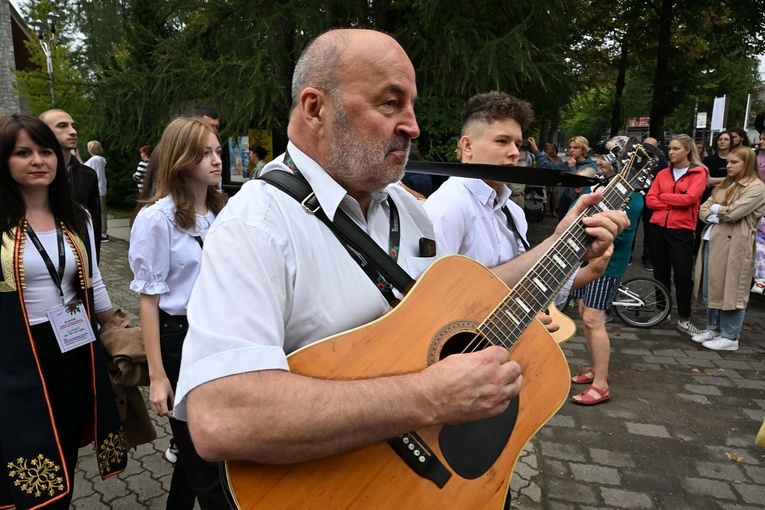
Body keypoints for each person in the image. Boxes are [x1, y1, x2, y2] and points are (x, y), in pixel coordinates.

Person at [173, 29, 626, 474]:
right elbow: (222, 419)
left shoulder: (409, 210)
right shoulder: (255, 225)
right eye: (391, 103)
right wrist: (427, 398)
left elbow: (459, 300)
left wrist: (558, 243)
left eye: (411, 105)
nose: (413, 125)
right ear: (315, 108)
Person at [0, 113, 126, 509]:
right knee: (27, 452)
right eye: (23, 153)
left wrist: (119, 327)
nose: (38, 161)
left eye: (45, 152)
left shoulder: (78, 216)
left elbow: (94, 281)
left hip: (74, 348)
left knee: (66, 445)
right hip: (17, 357)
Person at [129, 118, 228, 509]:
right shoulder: (157, 219)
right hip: (179, 338)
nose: (216, 160)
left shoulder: (222, 209)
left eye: (217, 151)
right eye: (205, 153)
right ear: (181, 158)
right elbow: (148, 300)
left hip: (219, 331)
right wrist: (157, 377)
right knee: (205, 461)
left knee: (194, 452)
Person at [424, 91, 602, 294]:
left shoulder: (511, 211)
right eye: (502, 141)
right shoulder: (448, 207)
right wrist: (555, 241)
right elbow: (432, 300)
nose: (515, 152)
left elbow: (523, 283)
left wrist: (592, 272)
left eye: (517, 144)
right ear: (468, 146)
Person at [569, 136, 644, 405]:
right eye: (600, 156)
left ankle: (601, 384)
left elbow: (616, 233)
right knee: (583, 313)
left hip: (608, 264)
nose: (599, 161)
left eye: (606, 157)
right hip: (589, 261)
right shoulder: (600, 186)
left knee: (592, 319)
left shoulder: (632, 196)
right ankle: (595, 368)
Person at [690, 147, 765, 351]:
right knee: (711, 285)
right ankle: (713, 327)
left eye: (734, 162)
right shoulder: (726, 183)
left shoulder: (756, 187)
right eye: (729, 162)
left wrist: (718, 209)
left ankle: (730, 335)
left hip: (736, 243)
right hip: (713, 238)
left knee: (732, 289)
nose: (728, 166)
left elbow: (735, 212)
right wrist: (716, 211)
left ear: (747, 164)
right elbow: (704, 208)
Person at [645, 134, 707, 336]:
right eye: (669, 148)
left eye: (676, 149)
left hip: (681, 230)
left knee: (682, 274)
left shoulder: (698, 172)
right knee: (660, 272)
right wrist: (673, 199)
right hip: (657, 228)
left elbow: (690, 199)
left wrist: (663, 198)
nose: (671, 152)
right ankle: (662, 311)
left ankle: (684, 318)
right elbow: (650, 200)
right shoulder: (662, 173)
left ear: (687, 150)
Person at [39, 109, 102, 261]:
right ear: (42, 132)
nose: (73, 131)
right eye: (62, 126)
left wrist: (92, 269)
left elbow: (94, 224)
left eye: (73, 126)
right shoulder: (34, 175)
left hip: (78, 261)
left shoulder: (88, 175)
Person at [529, 135, 597, 219]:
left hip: (578, 209)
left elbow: (575, 185)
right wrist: (535, 150)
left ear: (583, 150)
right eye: (570, 147)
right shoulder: (567, 164)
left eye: (575, 148)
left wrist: (572, 167)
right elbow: (547, 166)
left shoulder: (591, 167)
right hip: (562, 206)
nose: (571, 150)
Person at [638, 136, 669, 271]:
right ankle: (627, 257)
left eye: (652, 147)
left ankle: (648, 258)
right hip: (634, 196)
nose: (648, 149)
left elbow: (665, 178)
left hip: (651, 198)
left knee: (649, 230)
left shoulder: (661, 161)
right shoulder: (635, 158)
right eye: (646, 146)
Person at [84, 140, 108, 243]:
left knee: (100, 211)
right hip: (101, 188)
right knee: (101, 211)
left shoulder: (95, 160)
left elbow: (84, 168)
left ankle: (103, 233)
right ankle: (102, 232)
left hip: (97, 189)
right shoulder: (100, 160)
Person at [542, 142, 561, 217]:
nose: (547, 150)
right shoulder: (544, 158)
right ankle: (547, 211)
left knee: (554, 195)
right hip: (547, 177)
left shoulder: (558, 158)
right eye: (547, 149)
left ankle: (554, 211)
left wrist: (548, 157)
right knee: (547, 194)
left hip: (556, 178)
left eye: (549, 149)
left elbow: (556, 165)